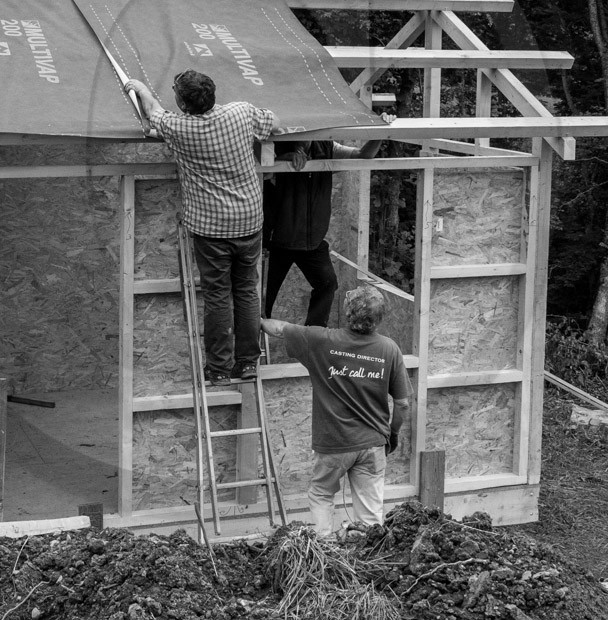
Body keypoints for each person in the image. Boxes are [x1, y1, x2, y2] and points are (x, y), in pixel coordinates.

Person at [124, 70, 281, 386]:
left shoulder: (180, 127)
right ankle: (247, 363)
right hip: (249, 220)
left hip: (212, 229)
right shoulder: (240, 112)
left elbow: (153, 113)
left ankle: (219, 368)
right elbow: (274, 122)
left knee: (218, 295)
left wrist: (139, 87)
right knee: (246, 291)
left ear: (183, 104)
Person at [260, 283, 410, 536]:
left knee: (321, 493)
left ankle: (323, 550)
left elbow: (279, 329)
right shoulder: (389, 349)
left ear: (348, 312)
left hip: (333, 442)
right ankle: (368, 555)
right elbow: (403, 404)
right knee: (370, 515)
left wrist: (256, 319)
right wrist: (392, 434)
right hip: (373, 443)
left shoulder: (321, 340)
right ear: (379, 318)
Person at [263, 111, 396, 328]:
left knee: (327, 284)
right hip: (276, 242)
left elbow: (363, 155)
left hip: (312, 242)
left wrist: (380, 131)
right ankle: (252, 343)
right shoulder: (274, 147)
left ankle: (313, 336)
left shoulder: (326, 147)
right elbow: (255, 170)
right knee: (260, 300)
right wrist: (280, 160)